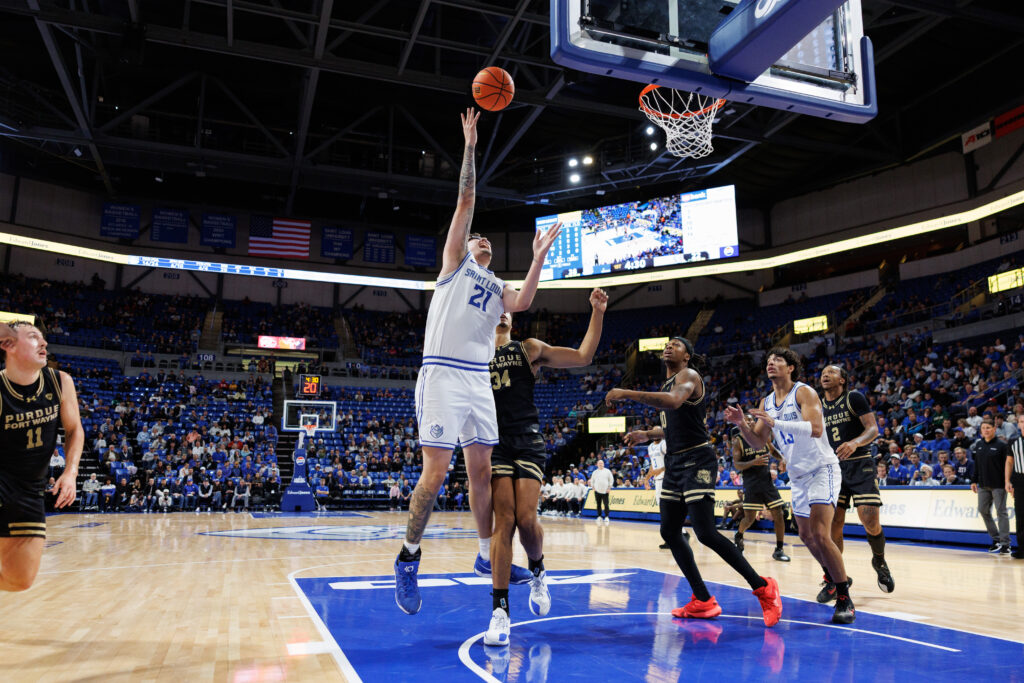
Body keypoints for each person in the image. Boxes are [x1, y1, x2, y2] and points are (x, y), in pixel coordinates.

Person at [394, 108, 562, 615]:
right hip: (442, 373)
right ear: (464, 247)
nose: (482, 238)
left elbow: (525, 302)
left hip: (477, 382)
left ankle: (485, 555)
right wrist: (469, 145)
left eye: (487, 238)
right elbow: (467, 198)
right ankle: (409, 556)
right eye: (477, 237)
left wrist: (537, 258)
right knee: (436, 472)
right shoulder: (453, 265)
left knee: (482, 471)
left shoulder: (496, 289)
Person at [611, 337, 782, 627]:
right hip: (676, 462)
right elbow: (674, 425)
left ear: (687, 357)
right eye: (666, 344)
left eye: (675, 345)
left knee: (705, 532)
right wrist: (648, 434)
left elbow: (675, 401)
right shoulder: (667, 386)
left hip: (698, 460)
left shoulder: (688, 376)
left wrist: (627, 393)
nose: (668, 347)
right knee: (669, 530)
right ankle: (702, 599)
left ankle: (763, 587)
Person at [483, 288, 607, 647]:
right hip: (493, 442)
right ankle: (500, 611)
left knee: (526, 521)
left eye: (507, 308)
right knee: (503, 522)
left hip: (527, 439)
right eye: (495, 308)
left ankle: (538, 570)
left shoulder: (528, 348)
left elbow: (584, 356)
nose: (502, 312)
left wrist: (597, 312)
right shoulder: (472, 354)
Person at [726, 347, 854, 624]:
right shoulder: (767, 401)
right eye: (769, 361)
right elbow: (759, 442)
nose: (771, 364)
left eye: (778, 361)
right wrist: (742, 426)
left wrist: (776, 422)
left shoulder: (804, 392)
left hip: (822, 469)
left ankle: (844, 597)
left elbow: (816, 428)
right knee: (806, 536)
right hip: (797, 476)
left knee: (821, 535)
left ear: (791, 367)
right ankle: (833, 578)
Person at [0, 321, 83, 591]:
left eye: (43, 338)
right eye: (34, 337)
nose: (44, 343)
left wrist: (71, 472)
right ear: (8, 346)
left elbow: (74, 429)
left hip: (30, 489)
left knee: (20, 580)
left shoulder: (60, 382)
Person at [818, 364, 894, 599]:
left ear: (842, 380)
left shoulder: (853, 398)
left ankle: (879, 561)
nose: (825, 375)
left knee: (869, 519)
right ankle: (834, 579)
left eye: (831, 372)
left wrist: (855, 443)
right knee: (833, 528)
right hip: (832, 468)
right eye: (823, 373)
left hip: (860, 463)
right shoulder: (817, 405)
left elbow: (873, 430)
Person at [730, 417, 790, 562]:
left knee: (779, 513)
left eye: (752, 420)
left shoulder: (763, 436)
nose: (750, 422)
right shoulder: (738, 441)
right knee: (749, 518)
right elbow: (737, 465)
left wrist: (781, 458)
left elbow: (773, 450)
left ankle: (779, 549)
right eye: (746, 420)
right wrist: (753, 462)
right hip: (751, 483)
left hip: (767, 482)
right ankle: (739, 534)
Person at [640, 435, 690, 548]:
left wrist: (662, 470)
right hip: (657, 480)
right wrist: (647, 478)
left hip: (668, 479)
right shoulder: (650, 447)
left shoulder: (664, 444)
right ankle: (671, 537)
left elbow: (673, 460)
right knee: (664, 511)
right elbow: (653, 465)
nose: (655, 435)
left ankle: (682, 533)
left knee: (669, 509)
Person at [972, 418, 1010, 554]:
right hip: (983, 484)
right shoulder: (979, 444)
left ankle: (1006, 544)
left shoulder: (1002, 445)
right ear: (980, 430)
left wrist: (1008, 481)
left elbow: (1008, 465)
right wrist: (973, 480)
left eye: (988, 428)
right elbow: (977, 464)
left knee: (1001, 513)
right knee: (983, 510)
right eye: (983, 428)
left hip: (998, 484)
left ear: (994, 429)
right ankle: (996, 539)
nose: (986, 430)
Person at [1007, 415, 1024, 559]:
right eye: (1022, 421)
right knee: (1020, 515)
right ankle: (1022, 548)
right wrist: (1007, 480)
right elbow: (1009, 463)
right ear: (1018, 424)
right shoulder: (1013, 441)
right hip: (1019, 479)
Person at [588, 459, 613, 524]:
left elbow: (611, 480)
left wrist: (609, 488)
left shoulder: (607, 471)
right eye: (599, 463)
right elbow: (592, 480)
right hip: (597, 491)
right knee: (598, 504)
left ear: (603, 464)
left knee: (606, 504)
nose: (600, 464)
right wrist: (593, 487)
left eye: (601, 463)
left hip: (605, 491)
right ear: (597, 464)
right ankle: (599, 516)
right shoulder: (595, 472)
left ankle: (607, 517)